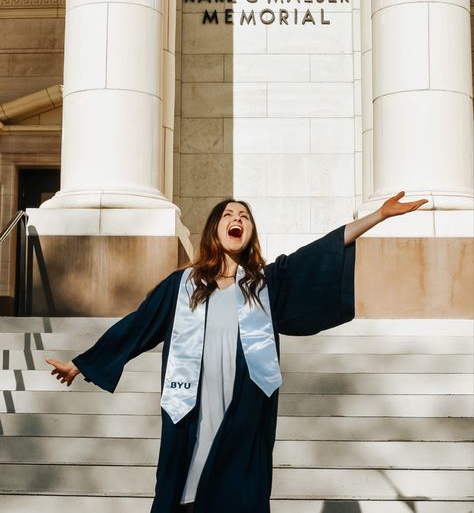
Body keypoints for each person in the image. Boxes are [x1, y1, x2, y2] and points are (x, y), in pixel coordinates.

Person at [46, 190, 427, 513]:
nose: (237, 219)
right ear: (215, 229)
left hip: (245, 405)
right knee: (183, 486)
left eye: (244, 216)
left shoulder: (264, 284)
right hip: (190, 406)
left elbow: (319, 254)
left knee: (240, 490)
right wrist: (81, 364)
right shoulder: (182, 285)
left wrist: (377, 216)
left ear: (248, 233)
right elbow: (138, 324)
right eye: (228, 214)